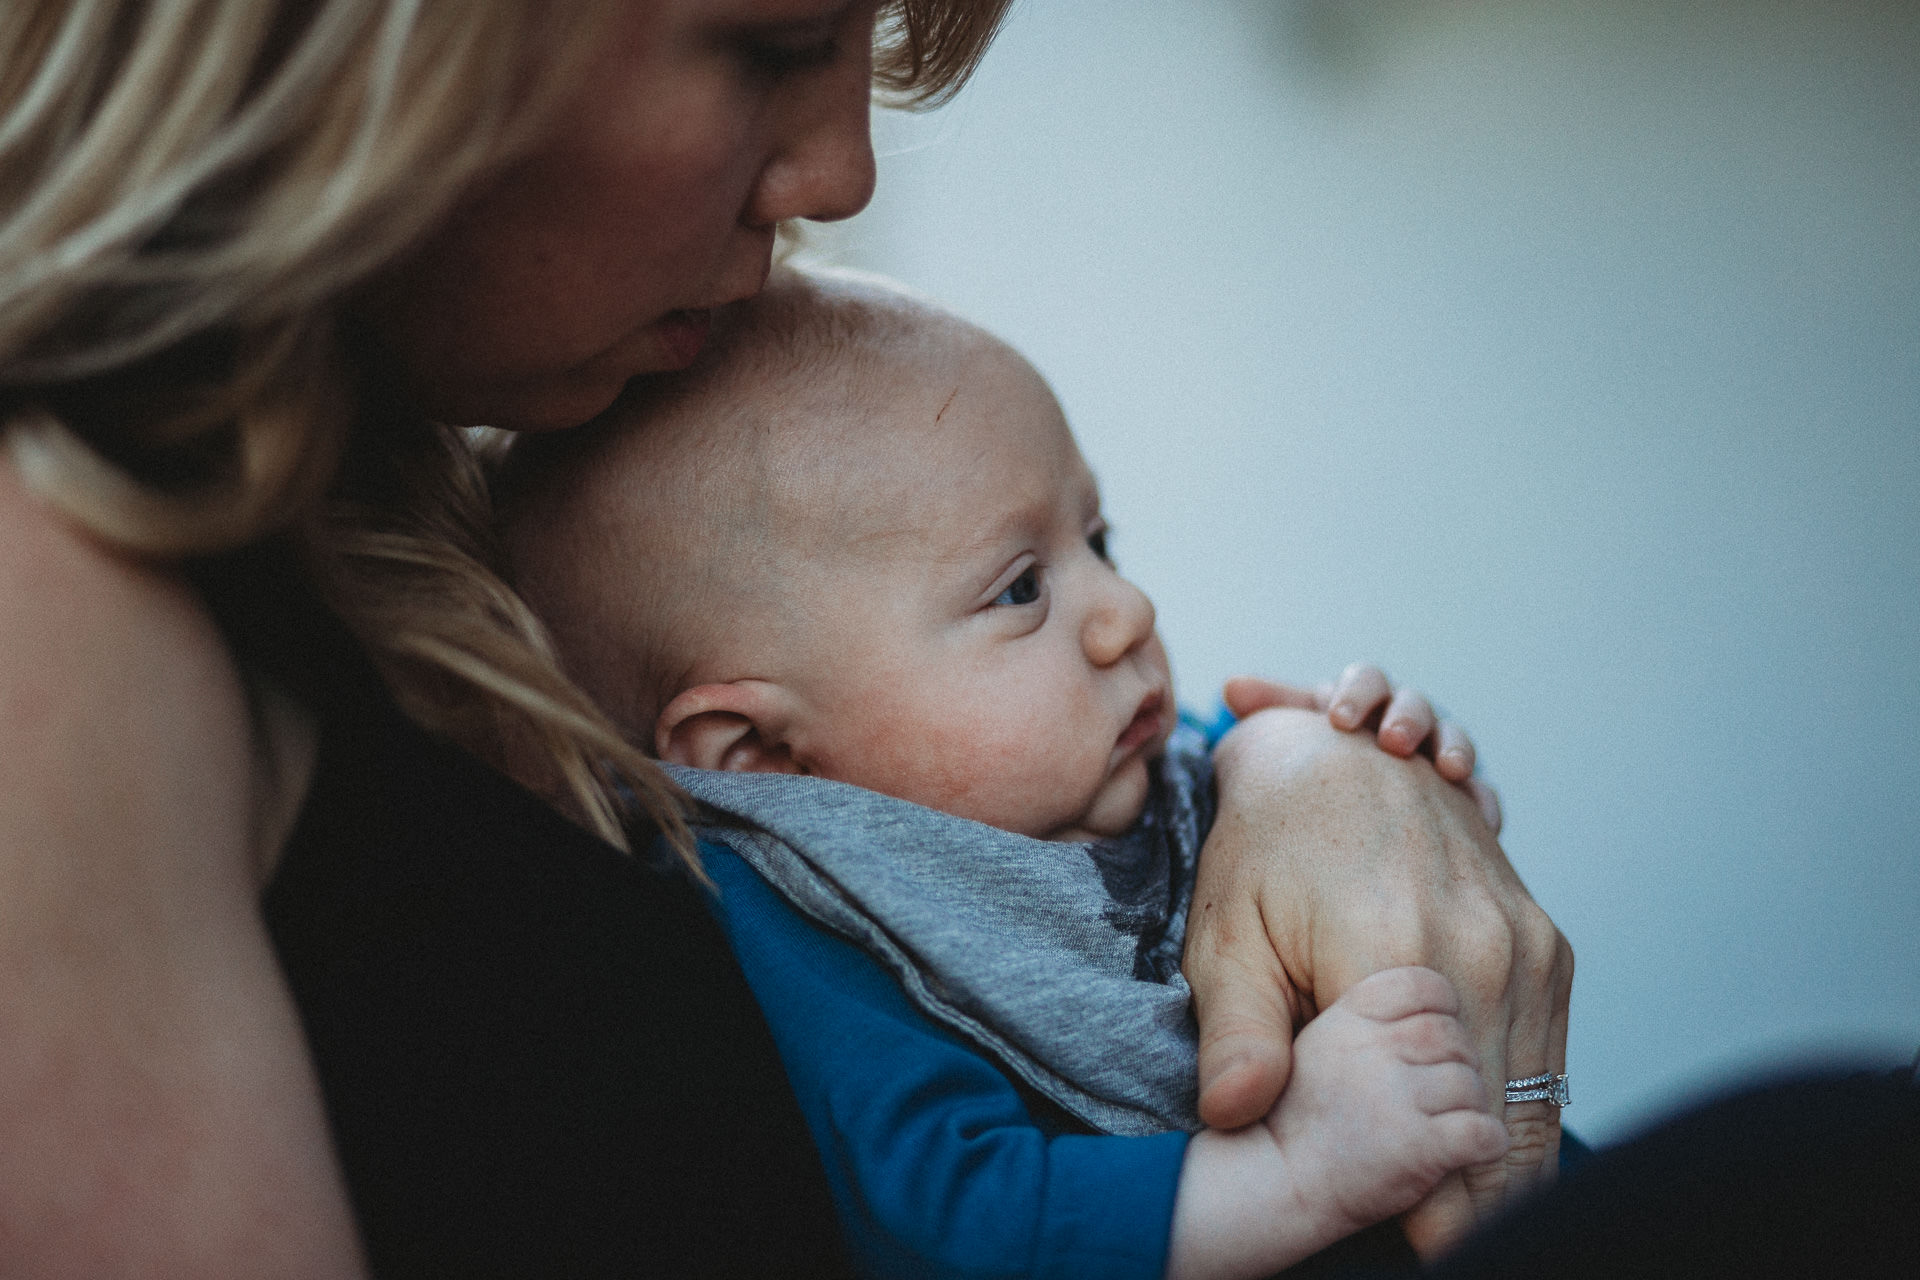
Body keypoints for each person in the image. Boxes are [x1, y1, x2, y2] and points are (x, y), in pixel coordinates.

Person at [0, 1, 1571, 1273]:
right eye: (769, 45)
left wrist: (1305, 770)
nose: (842, 175)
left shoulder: (399, 516)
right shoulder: (65, 588)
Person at [497, 267, 1519, 1277]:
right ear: (761, 755)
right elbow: (943, 1217)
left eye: (1100, 538)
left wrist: (1397, 769)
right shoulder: (798, 921)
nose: (1127, 609)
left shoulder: (1167, 758)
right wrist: (1294, 1168)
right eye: (1021, 587)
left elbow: (1386, 865)